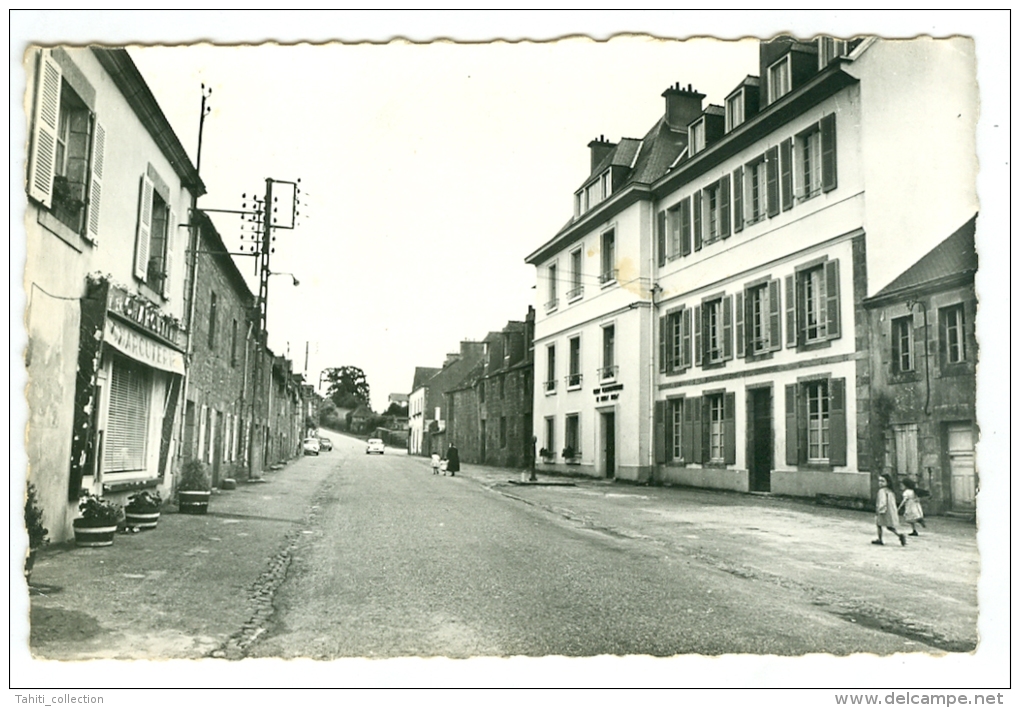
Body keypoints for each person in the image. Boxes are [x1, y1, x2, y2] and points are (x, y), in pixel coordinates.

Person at [874, 473, 907, 546]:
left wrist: (879, 510)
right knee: (889, 526)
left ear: (887, 482)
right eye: (879, 481)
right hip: (890, 511)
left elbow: (882, 502)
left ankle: (880, 539)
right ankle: (899, 535)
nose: (880, 483)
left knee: (879, 524)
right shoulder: (890, 491)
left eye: (882, 481)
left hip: (883, 511)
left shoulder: (882, 491)